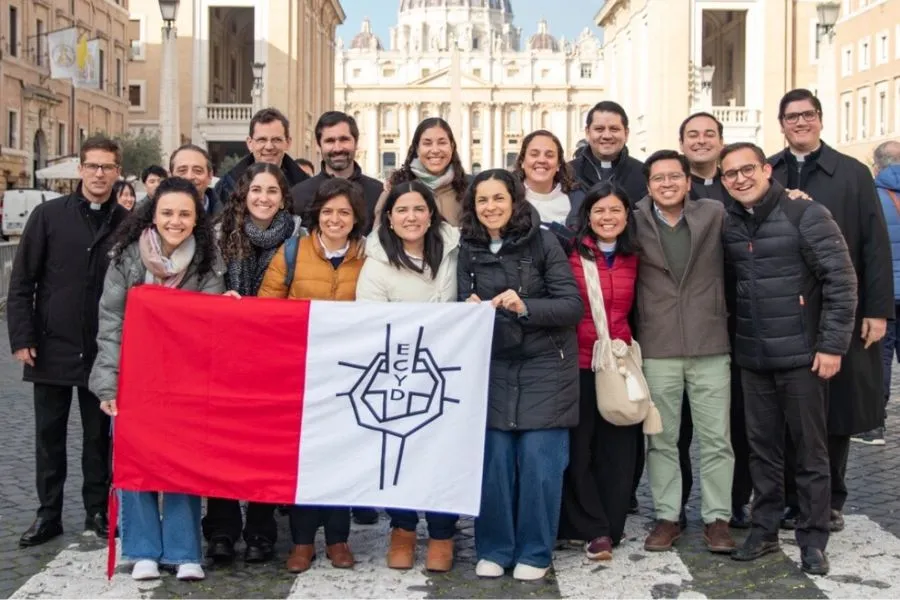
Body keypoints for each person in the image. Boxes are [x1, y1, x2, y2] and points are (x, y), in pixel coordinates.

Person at [721, 142, 857, 575]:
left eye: (747, 170)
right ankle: (762, 528)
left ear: (766, 169)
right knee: (762, 450)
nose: (740, 179)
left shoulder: (806, 214)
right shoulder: (729, 224)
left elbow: (841, 280)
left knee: (810, 452)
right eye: (730, 174)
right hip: (754, 355)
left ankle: (813, 538)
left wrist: (833, 345)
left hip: (802, 356)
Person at [768, 89, 894, 532]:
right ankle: (789, 497)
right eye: (791, 117)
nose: (800, 123)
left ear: (820, 120)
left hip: (841, 306)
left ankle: (831, 497)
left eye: (807, 115)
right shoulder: (770, 171)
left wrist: (877, 311)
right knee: (786, 408)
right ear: (781, 124)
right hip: (783, 309)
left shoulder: (854, 174)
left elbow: (874, 245)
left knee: (836, 408)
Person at [89, 176, 224, 581]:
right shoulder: (127, 258)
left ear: (196, 218)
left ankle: (184, 551)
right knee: (136, 461)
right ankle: (143, 548)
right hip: (136, 377)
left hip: (185, 380)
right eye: (167, 212)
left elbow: (213, 322)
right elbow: (110, 322)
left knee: (183, 463)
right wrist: (107, 384)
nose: (176, 221)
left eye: (185, 214)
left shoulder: (207, 261)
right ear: (153, 213)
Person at [457, 169, 582, 581]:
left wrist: (524, 305)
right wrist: (469, 306)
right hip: (492, 367)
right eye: (482, 201)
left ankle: (534, 549)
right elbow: (460, 304)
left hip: (546, 367)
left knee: (538, 465)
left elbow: (570, 306)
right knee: (492, 465)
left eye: (498, 198)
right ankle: (494, 547)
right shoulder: (467, 248)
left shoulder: (544, 240)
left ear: (514, 201)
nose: (490, 207)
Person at [7, 135, 130, 547]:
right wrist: (21, 336)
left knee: (98, 437)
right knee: (49, 435)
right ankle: (48, 514)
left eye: (107, 167)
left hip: (104, 350)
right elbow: (23, 280)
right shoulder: (47, 216)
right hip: (50, 344)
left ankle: (97, 510)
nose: (99, 174)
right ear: (80, 169)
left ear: (117, 172)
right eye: (92, 166)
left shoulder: (127, 224)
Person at [258, 177, 368, 573]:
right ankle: (302, 540)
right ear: (316, 215)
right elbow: (266, 312)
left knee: (341, 459)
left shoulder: (369, 258)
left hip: (350, 376)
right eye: (328, 212)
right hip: (300, 373)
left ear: (355, 219)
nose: (335, 219)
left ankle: (339, 538)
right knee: (304, 460)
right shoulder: (291, 253)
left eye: (344, 212)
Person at [202, 163, 304, 564]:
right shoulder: (217, 235)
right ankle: (222, 529)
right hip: (226, 354)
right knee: (223, 444)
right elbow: (204, 286)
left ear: (283, 197)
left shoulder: (299, 238)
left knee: (267, 445)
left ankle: (261, 530)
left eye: (272, 191)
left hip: (277, 355)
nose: (263, 197)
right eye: (256, 190)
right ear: (243, 194)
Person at [355, 180, 460, 572]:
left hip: (448, 369)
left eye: (419, 209)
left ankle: (442, 531)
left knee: (444, 454)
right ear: (390, 219)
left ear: (431, 214)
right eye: (402, 210)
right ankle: (402, 528)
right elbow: (368, 319)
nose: (411, 217)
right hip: (398, 373)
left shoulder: (454, 250)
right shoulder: (377, 263)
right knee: (399, 451)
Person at [634, 150, 734, 554]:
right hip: (658, 345)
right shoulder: (634, 219)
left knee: (716, 439)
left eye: (674, 176)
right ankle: (667, 516)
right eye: (658, 178)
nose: (667, 184)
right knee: (662, 439)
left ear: (688, 181)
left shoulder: (713, 213)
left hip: (709, 341)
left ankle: (718, 518)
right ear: (648, 185)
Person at [677, 111, 752, 530]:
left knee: (730, 422)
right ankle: (680, 505)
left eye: (709, 134)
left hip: (736, 320)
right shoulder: (670, 187)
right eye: (693, 135)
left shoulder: (739, 185)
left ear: (721, 140)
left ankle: (733, 500)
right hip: (680, 326)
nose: (701, 141)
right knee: (679, 428)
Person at [557, 181, 640, 561]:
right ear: (587, 216)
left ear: (627, 215)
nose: (607, 218)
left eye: (615, 210)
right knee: (579, 449)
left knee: (619, 450)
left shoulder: (637, 254)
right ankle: (590, 527)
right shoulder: (569, 252)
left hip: (619, 363)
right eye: (599, 211)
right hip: (578, 363)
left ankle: (611, 523)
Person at [854, 139, 900, 445]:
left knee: (879, 359)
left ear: (877, 164)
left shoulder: (872, 196)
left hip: (884, 294)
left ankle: (874, 427)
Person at [291, 111, 383, 235]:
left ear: (356, 143)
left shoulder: (378, 193)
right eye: (330, 141)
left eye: (344, 140)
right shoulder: (299, 195)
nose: (338, 148)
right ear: (319, 146)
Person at [374, 117, 469, 226]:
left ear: (452, 146)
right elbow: (378, 237)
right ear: (417, 148)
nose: (435, 150)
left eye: (442, 143)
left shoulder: (469, 189)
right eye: (427, 143)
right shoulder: (394, 188)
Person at [214, 108, 310, 205]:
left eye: (276, 140)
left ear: (288, 143)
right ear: (250, 143)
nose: (269, 147)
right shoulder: (226, 187)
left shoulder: (307, 188)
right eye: (262, 140)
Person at [514, 129, 584, 247]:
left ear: (558, 165)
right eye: (534, 154)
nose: (541, 160)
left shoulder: (578, 199)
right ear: (522, 161)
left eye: (549, 155)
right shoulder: (507, 198)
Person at [567, 101, 646, 205]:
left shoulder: (643, 173)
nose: (607, 135)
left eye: (614, 129)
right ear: (587, 133)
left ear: (626, 134)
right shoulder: (568, 173)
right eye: (599, 129)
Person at [169, 144, 222, 216]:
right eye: (182, 170)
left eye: (197, 170)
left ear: (209, 176)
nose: (189, 177)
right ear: (171, 176)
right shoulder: (151, 220)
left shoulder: (230, 220)